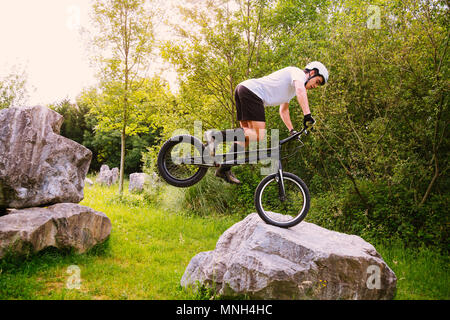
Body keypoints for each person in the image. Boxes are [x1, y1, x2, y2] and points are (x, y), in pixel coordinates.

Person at [204, 61, 329, 184]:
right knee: (259, 135)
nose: (315, 86)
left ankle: (224, 169)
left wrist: (291, 130)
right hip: (252, 92)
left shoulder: (292, 89)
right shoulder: (298, 74)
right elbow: (301, 91)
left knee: (247, 137)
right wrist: (307, 115)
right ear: (312, 72)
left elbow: (283, 111)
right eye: (317, 81)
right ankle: (214, 136)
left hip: (244, 89)